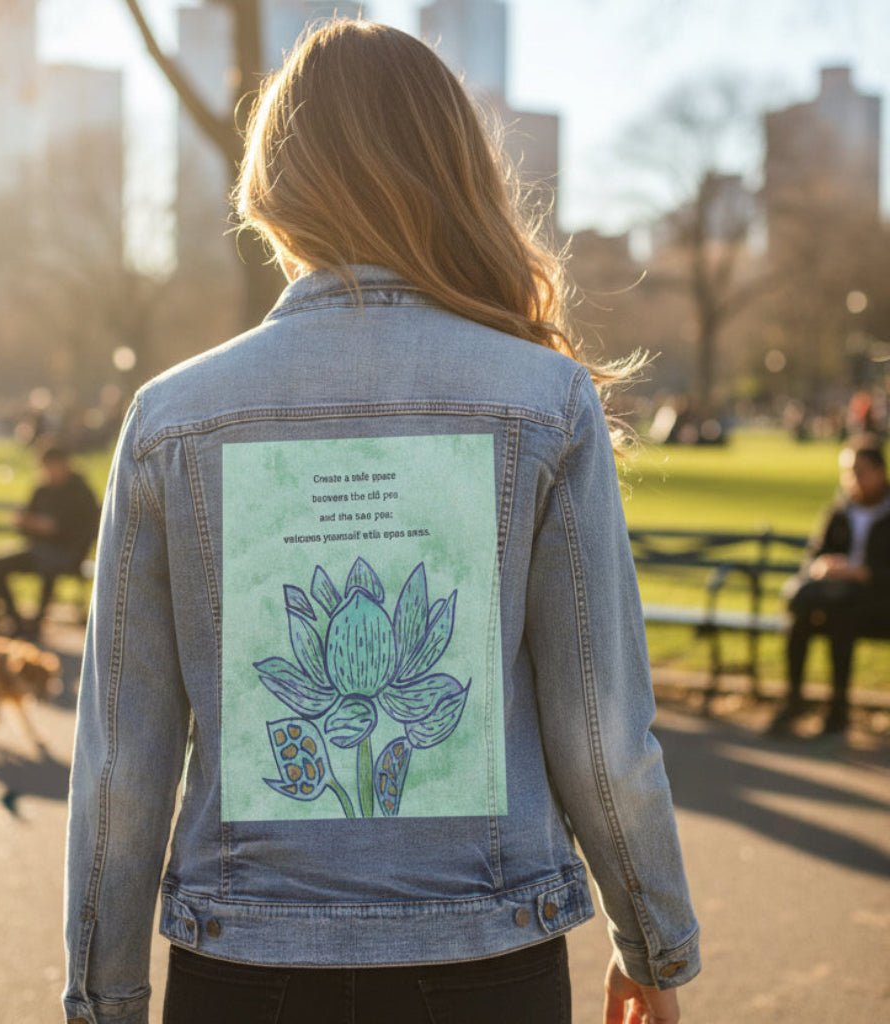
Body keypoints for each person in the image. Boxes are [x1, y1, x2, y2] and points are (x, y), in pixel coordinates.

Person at [64, 21, 699, 1024]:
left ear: (275, 185)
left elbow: (119, 762)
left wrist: (103, 1000)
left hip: (244, 967)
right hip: (489, 956)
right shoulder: (542, 400)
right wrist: (653, 941)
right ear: (453, 172)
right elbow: (600, 728)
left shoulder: (171, 419)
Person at [771, 435, 890, 736]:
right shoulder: (839, 511)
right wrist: (824, 566)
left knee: (841, 616)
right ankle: (795, 700)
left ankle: (837, 710)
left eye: (859, 472)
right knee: (802, 618)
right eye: (847, 472)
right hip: (838, 602)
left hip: (879, 604)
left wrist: (863, 573)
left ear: (880, 472)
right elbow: (813, 557)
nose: (852, 480)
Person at [0, 445, 99, 637]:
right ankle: (16, 620)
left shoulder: (80, 490)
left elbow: (83, 528)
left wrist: (53, 528)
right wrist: (27, 523)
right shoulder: (42, 489)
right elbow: (28, 525)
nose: (50, 472)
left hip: (70, 553)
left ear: (65, 465)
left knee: (49, 565)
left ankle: (36, 623)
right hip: (39, 549)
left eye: (53, 467)